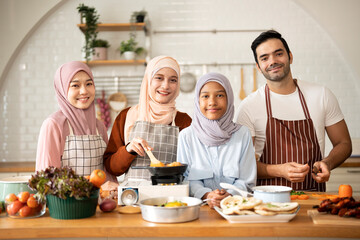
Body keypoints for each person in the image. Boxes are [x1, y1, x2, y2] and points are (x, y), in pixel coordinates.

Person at [235, 30, 352, 191]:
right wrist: (279, 170)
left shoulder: (321, 95)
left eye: (278, 54)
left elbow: (344, 143)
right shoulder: (249, 106)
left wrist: (327, 163)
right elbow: (242, 164)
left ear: (290, 56)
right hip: (267, 203)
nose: (273, 61)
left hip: (313, 199)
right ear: (259, 67)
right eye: (265, 58)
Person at [103, 56, 192, 180]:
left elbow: (192, 168)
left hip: (171, 196)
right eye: (159, 78)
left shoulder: (184, 121)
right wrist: (128, 150)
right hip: (134, 196)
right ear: (148, 79)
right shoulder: (126, 116)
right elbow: (111, 168)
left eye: (173, 80)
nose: (165, 86)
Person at [177, 72, 257, 208]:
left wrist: (230, 195)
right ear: (197, 100)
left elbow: (247, 179)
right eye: (205, 96)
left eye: (220, 95)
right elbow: (185, 179)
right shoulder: (187, 136)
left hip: (237, 207)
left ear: (229, 98)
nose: (212, 102)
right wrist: (207, 195)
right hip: (200, 209)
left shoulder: (242, 134)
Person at [36, 61, 111, 177]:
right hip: (66, 196)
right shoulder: (53, 125)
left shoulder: (99, 126)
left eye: (89, 84)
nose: (84, 91)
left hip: (99, 196)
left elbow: (107, 175)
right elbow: (47, 180)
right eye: (75, 85)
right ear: (62, 89)